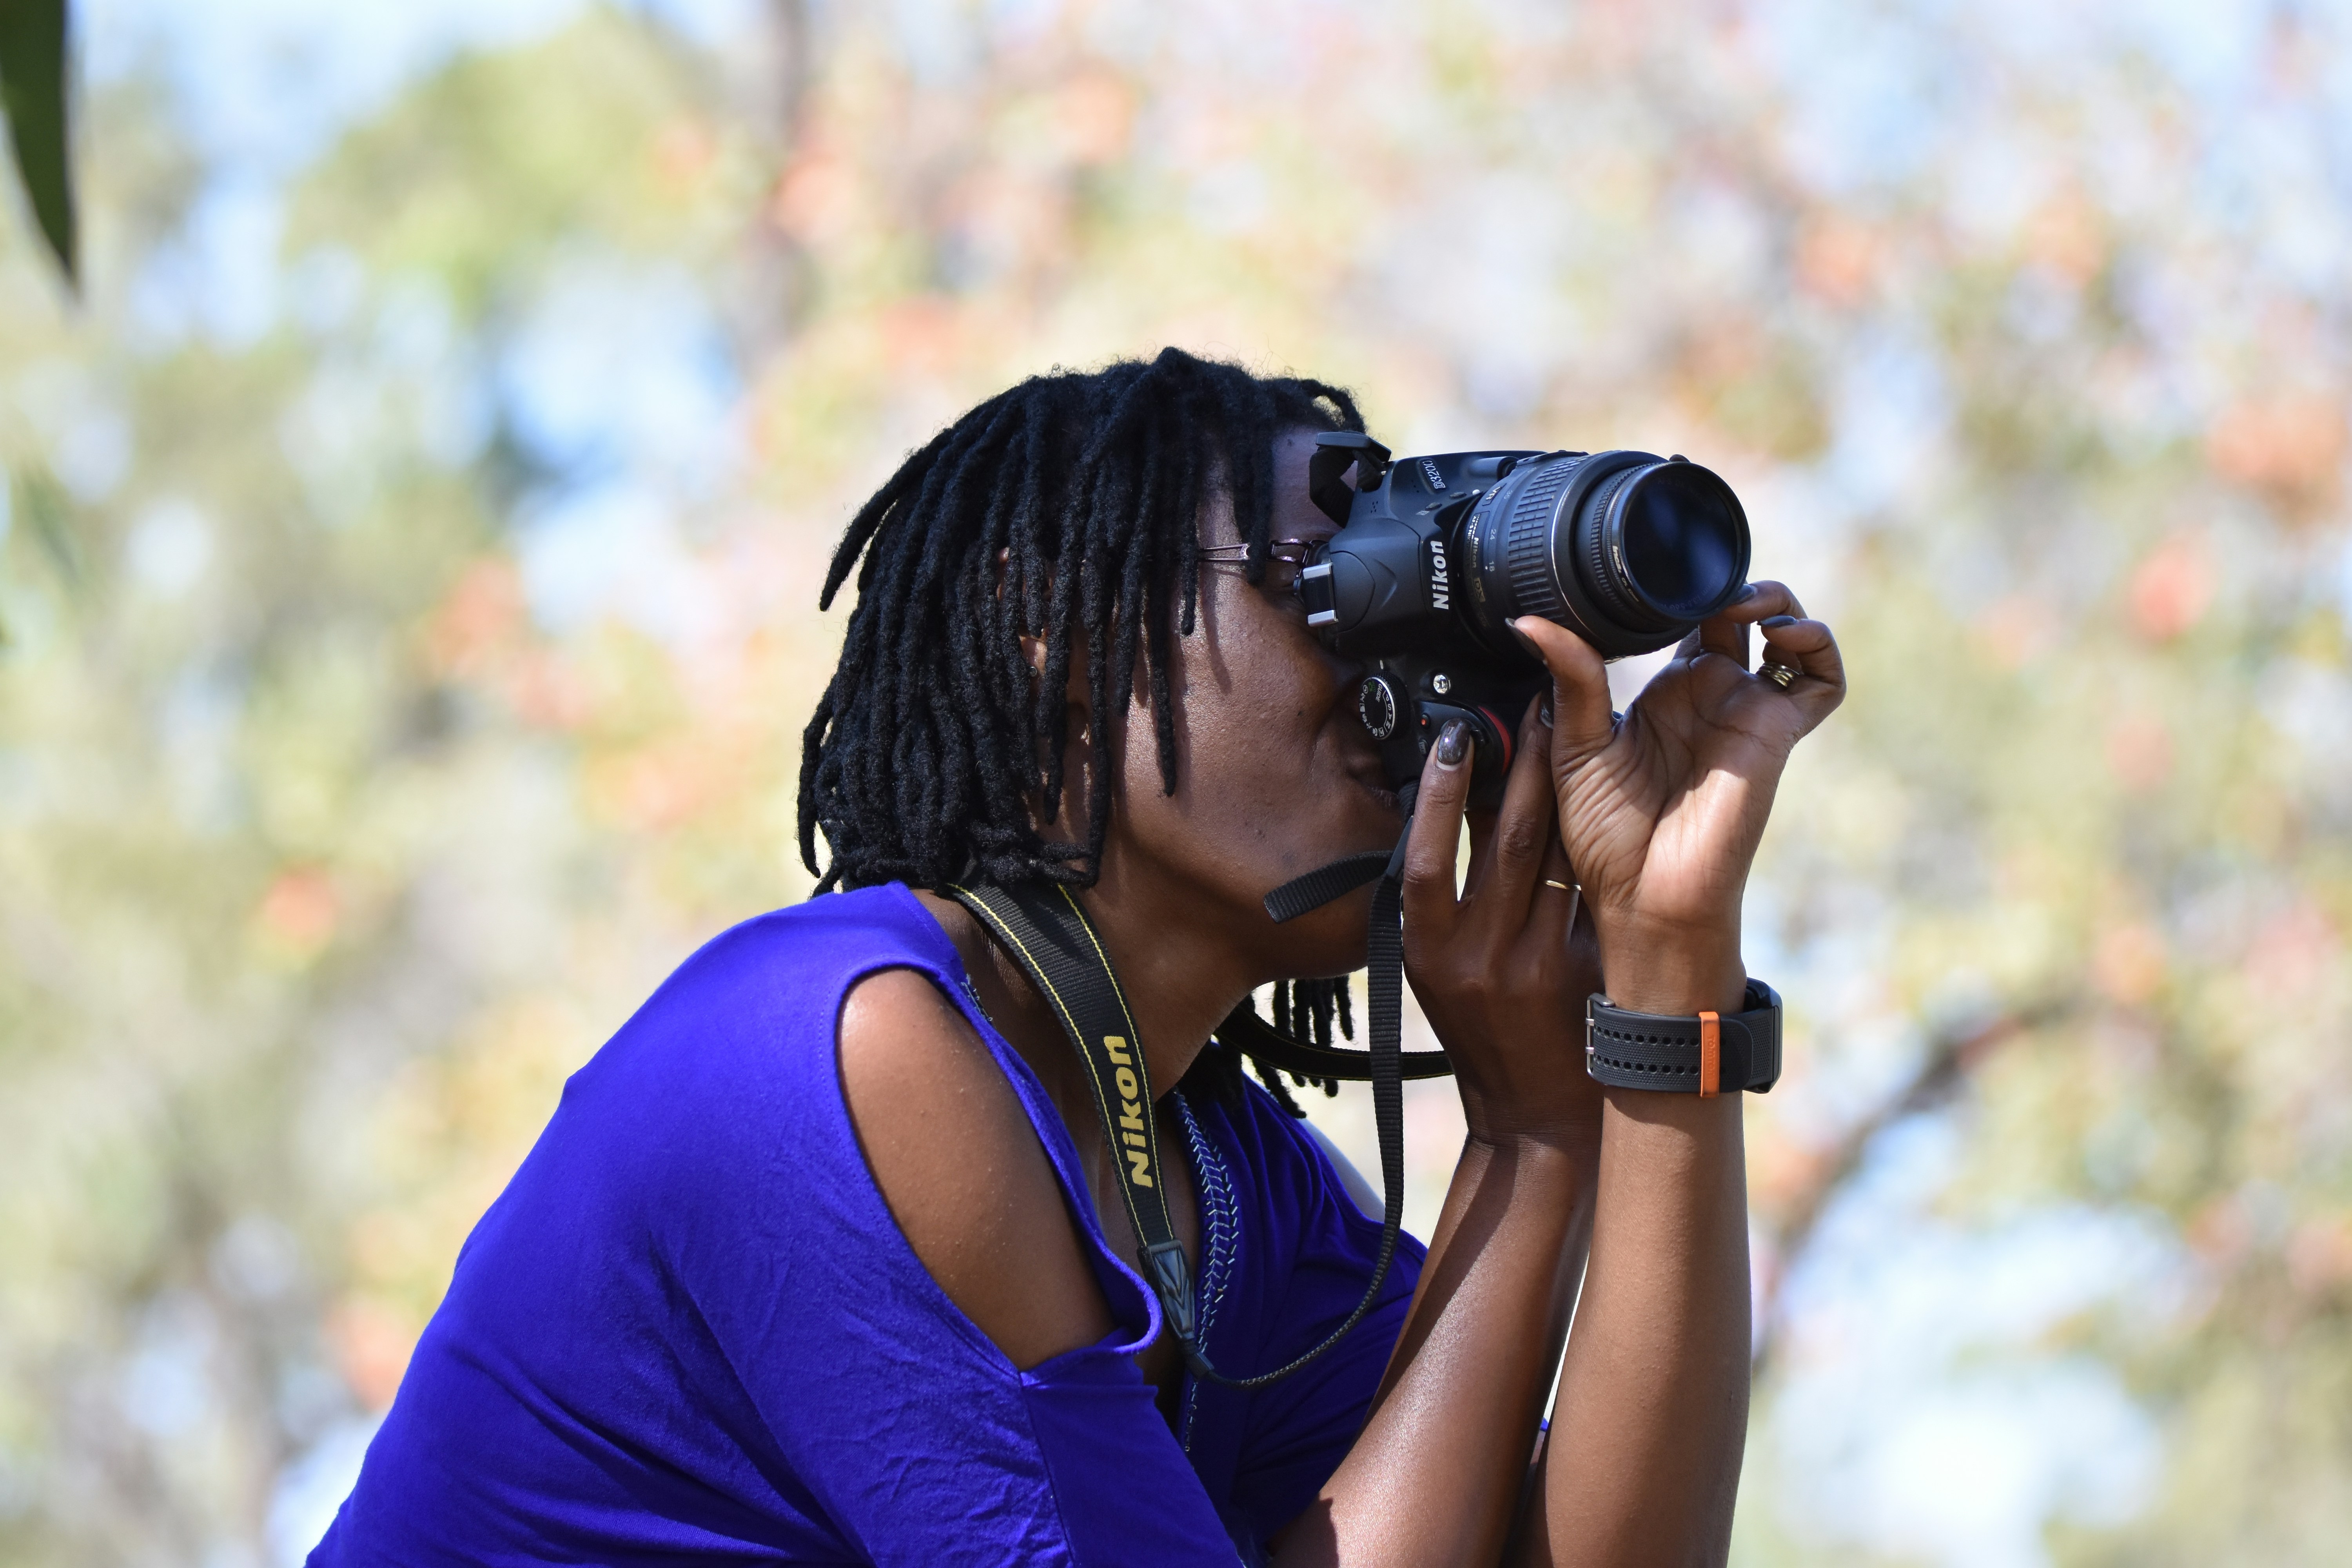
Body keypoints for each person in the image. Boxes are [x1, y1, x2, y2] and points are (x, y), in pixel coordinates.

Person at [312, 348, 1844, 1566]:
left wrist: (1655, 989)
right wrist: (1528, 1138)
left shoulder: (1242, 1197)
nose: (1392, 672)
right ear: (1055, 627)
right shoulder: (839, 1050)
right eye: (1322, 592)